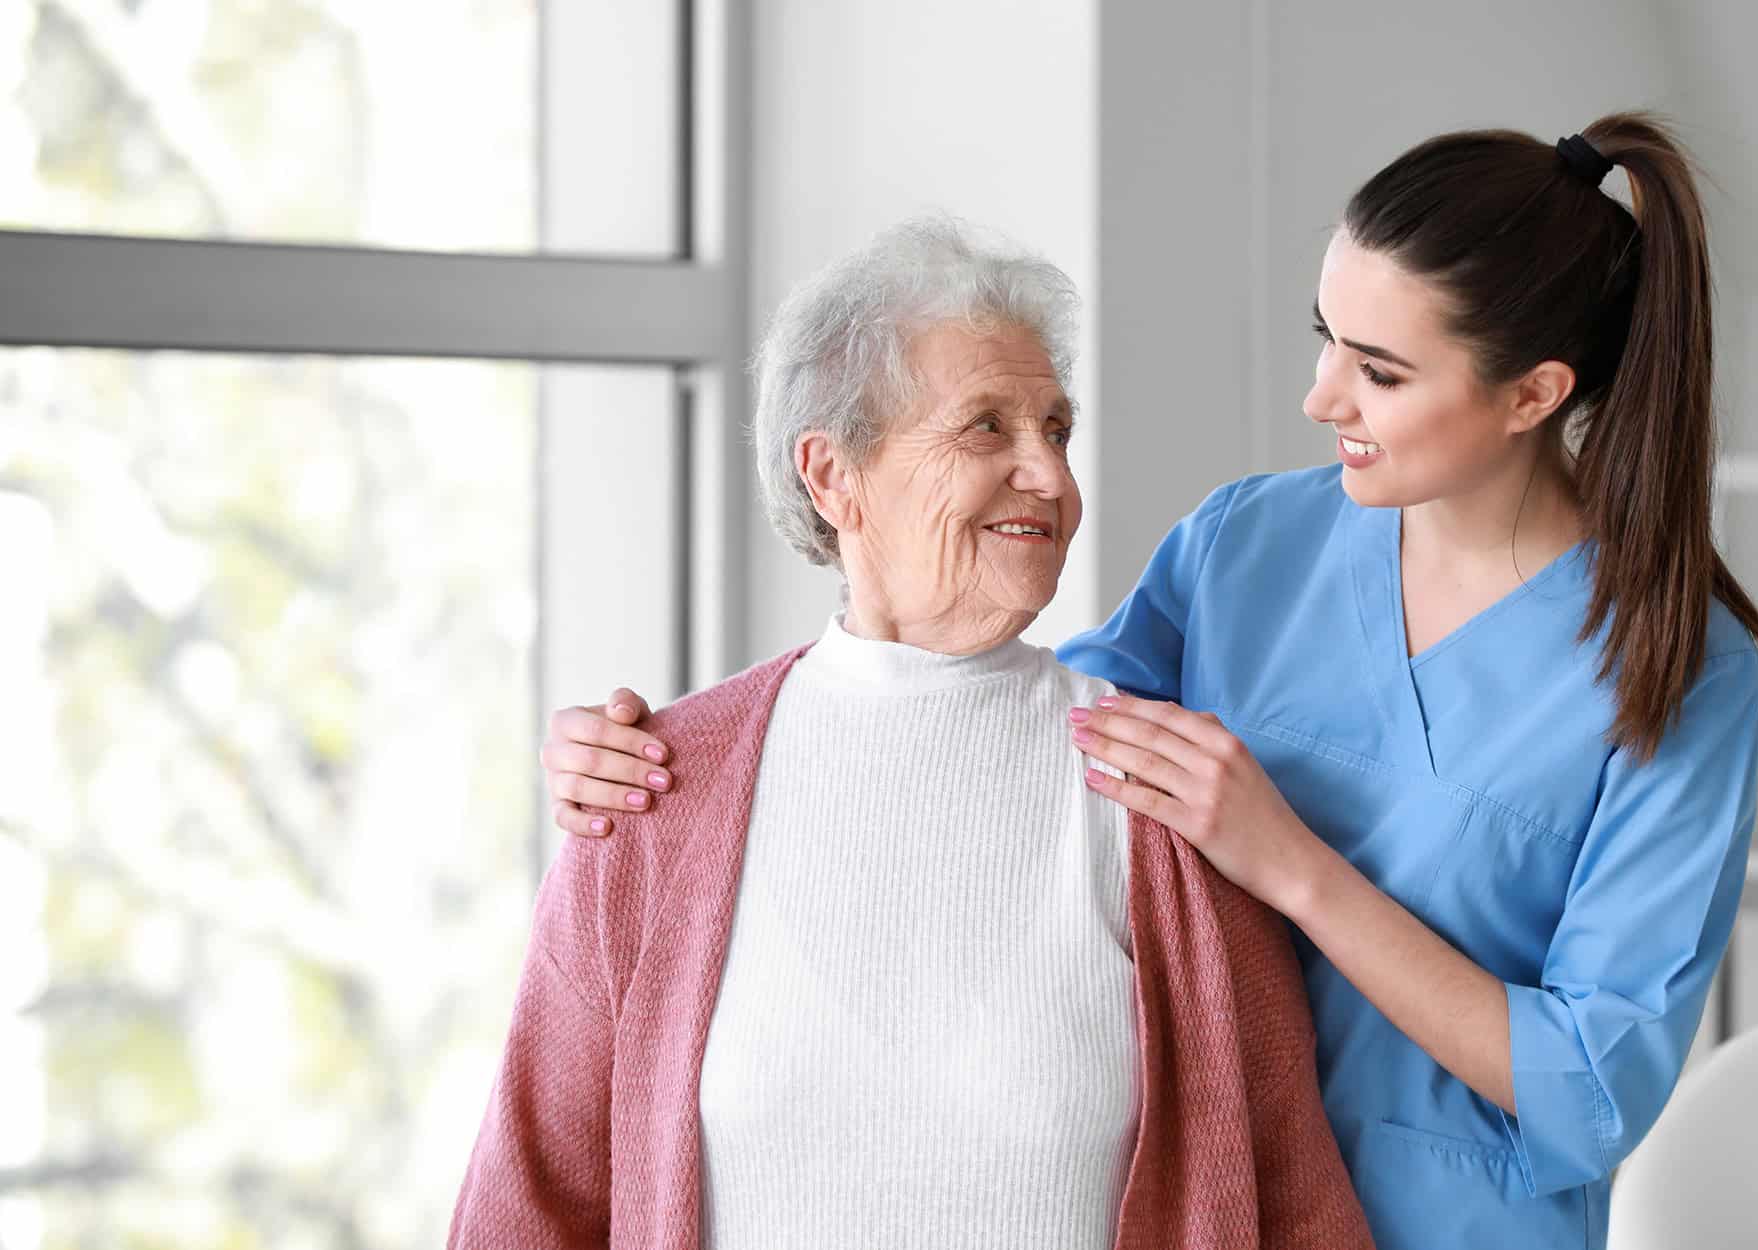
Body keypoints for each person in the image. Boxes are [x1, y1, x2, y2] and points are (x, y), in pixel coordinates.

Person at [539, 113, 1758, 1250]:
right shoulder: (1250, 543)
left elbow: (1591, 1086)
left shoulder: (1675, 669)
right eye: (1324, 341)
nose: (1319, 398)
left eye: (1381, 373)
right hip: (1192, 1206)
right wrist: (658, 765)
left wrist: (1287, 861)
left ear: (1533, 394)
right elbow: (1004, 731)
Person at [450, 217, 1373, 1249]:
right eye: (985, 427)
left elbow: (1294, 1204)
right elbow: (529, 1206)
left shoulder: (1166, 798)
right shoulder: (653, 791)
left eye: (1056, 431)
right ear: (832, 475)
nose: (1050, 478)